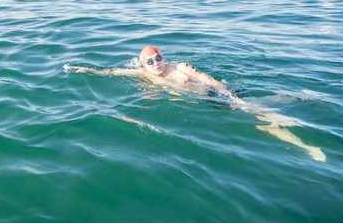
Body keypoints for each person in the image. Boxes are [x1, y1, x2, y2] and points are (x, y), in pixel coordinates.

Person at [64, 45, 326, 162]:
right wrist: (81, 69)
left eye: (159, 58)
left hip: (216, 97)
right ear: (142, 64)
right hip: (206, 103)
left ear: (164, 57)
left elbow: (211, 80)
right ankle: (299, 100)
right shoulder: (142, 74)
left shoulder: (181, 67)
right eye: (150, 62)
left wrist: (230, 97)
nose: (156, 64)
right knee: (261, 112)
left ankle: (304, 143)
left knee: (258, 115)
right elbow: (111, 72)